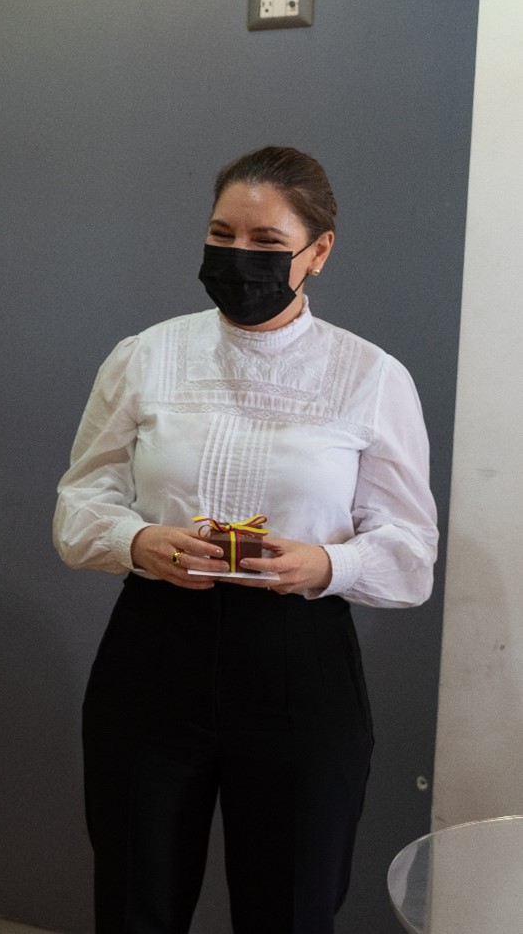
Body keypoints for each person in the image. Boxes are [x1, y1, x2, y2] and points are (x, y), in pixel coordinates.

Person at [53, 145, 440, 934]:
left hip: (299, 665)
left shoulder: (369, 377)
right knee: (134, 902)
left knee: (291, 909)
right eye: (222, 235)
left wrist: (327, 562)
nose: (240, 257)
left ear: (318, 252)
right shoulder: (145, 356)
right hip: (154, 653)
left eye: (267, 243)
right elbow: (78, 505)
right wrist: (136, 541)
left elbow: (411, 553)